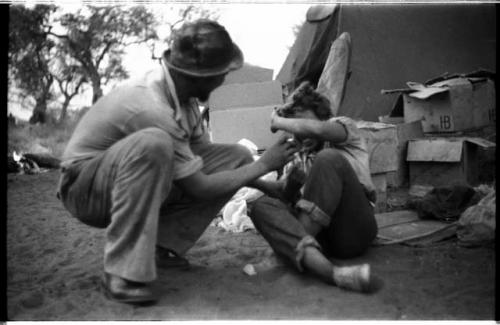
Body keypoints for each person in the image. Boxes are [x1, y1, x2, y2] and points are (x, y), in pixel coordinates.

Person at [57, 19, 298, 304]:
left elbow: (206, 164)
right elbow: (200, 187)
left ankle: (161, 247)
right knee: (154, 144)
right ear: (202, 75)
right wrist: (264, 165)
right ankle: (120, 272)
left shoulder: (185, 103)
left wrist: (268, 185)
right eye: (222, 74)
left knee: (238, 156)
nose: (224, 80)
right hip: (83, 188)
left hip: (117, 178)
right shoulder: (151, 104)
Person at [249, 81, 378, 293]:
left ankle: (285, 256)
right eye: (294, 126)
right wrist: (252, 177)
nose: (299, 132)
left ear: (321, 114)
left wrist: (277, 120)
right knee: (260, 206)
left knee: (328, 159)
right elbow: (283, 194)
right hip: (320, 241)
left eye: (301, 121)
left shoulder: (342, 129)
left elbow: (316, 129)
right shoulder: (299, 156)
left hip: (353, 229)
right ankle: (332, 272)